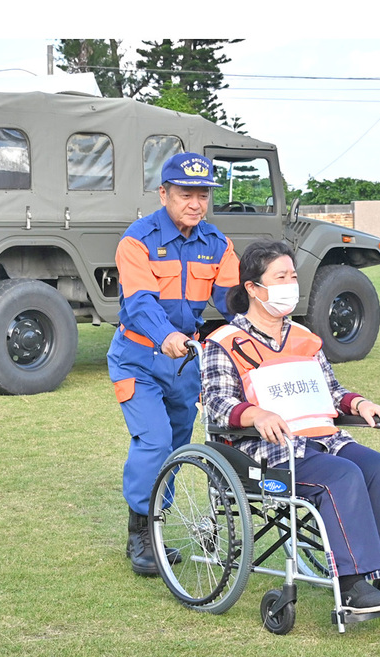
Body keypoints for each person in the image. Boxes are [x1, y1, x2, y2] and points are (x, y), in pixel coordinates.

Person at [200, 240, 380, 614]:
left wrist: (359, 403)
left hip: (323, 439)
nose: (290, 285)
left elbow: (330, 391)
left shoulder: (305, 338)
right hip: (268, 451)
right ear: (252, 287)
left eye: (293, 277)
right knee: (343, 476)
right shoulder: (225, 342)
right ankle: (352, 583)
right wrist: (256, 414)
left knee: (378, 468)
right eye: (280, 277)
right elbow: (218, 402)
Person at [107, 152, 240, 576]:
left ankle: (157, 524)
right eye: (186, 194)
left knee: (177, 448)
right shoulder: (137, 240)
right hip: (139, 357)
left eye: (203, 194)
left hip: (186, 363)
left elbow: (233, 301)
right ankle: (141, 533)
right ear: (164, 194)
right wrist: (165, 335)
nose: (196, 203)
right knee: (155, 441)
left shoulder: (218, 245)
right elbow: (139, 300)